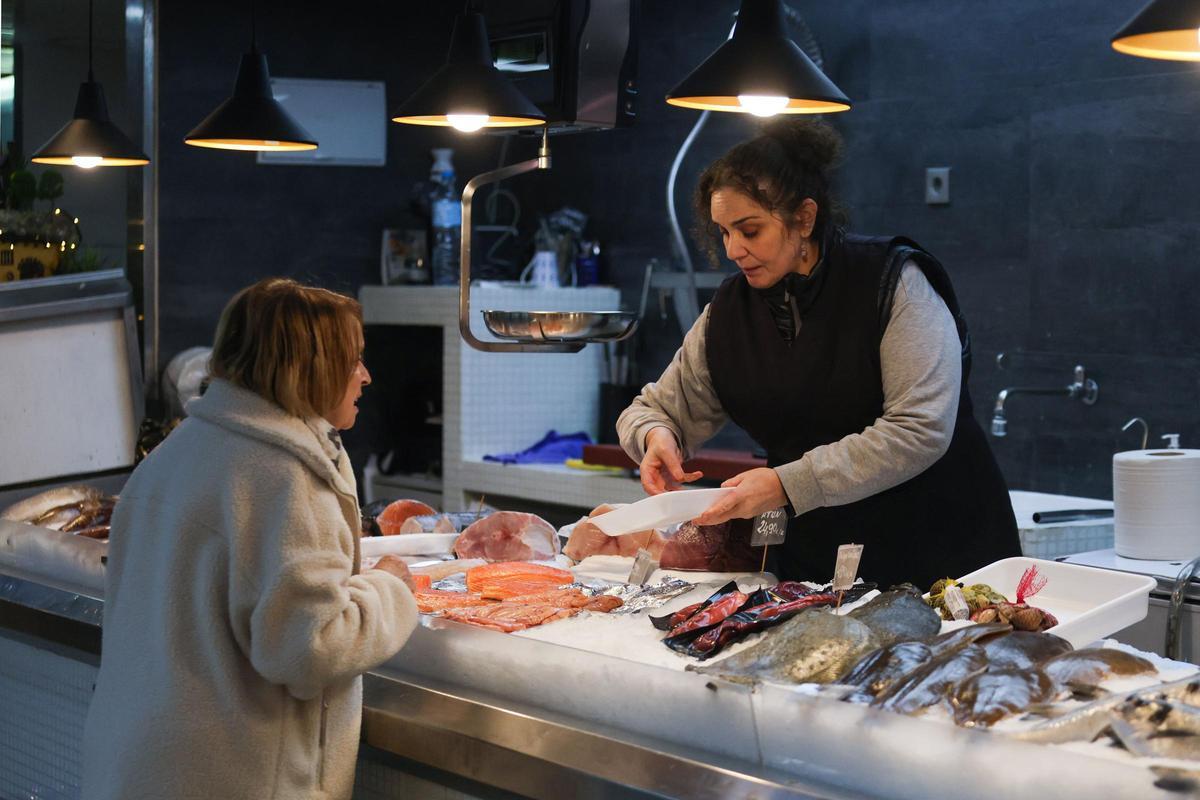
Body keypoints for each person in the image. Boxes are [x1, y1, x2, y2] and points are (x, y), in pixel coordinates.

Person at [617, 119, 1019, 588]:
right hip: (817, 565)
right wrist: (656, 437)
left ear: (804, 218)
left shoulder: (892, 283)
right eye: (724, 232)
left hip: (939, 557)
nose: (733, 250)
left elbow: (921, 428)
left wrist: (786, 484)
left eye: (750, 230)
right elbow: (654, 409)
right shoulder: (729, 311)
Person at [81, 278, 420, 800]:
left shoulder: (175, 454)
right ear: (311, 367)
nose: (365, 377)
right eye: (353, 360)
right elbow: (308, 647)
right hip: (233, 780)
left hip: (135, 769)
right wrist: (390, 590)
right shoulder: (286, 478)